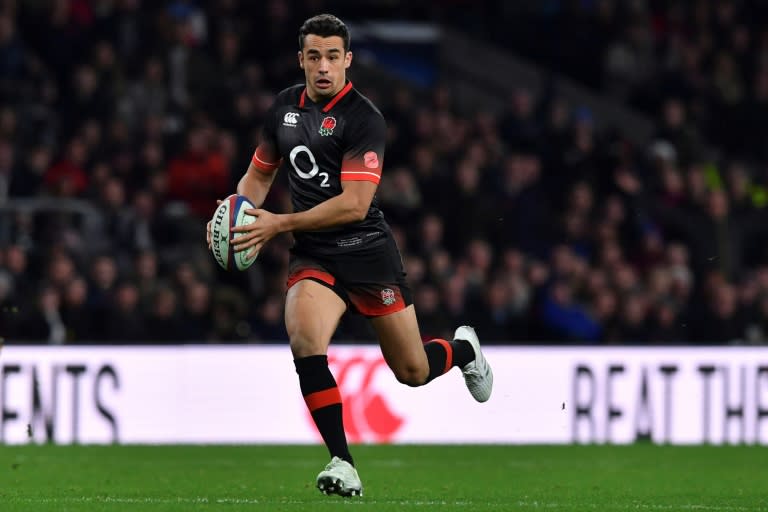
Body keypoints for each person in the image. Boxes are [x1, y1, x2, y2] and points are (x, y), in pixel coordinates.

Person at [206, 14, 493, 497]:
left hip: (366, 252)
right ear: (301, 60)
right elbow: (258, 176)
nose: (323, 66)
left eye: (333, 57)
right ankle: (343, 461)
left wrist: (280, 223)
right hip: (314, 256)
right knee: (303, 340)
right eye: (314, 56)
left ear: (348, 61)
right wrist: (242, 211)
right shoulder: (282, 111)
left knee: (413, 371)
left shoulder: (364, 119)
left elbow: (354, 204)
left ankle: (464, 350)